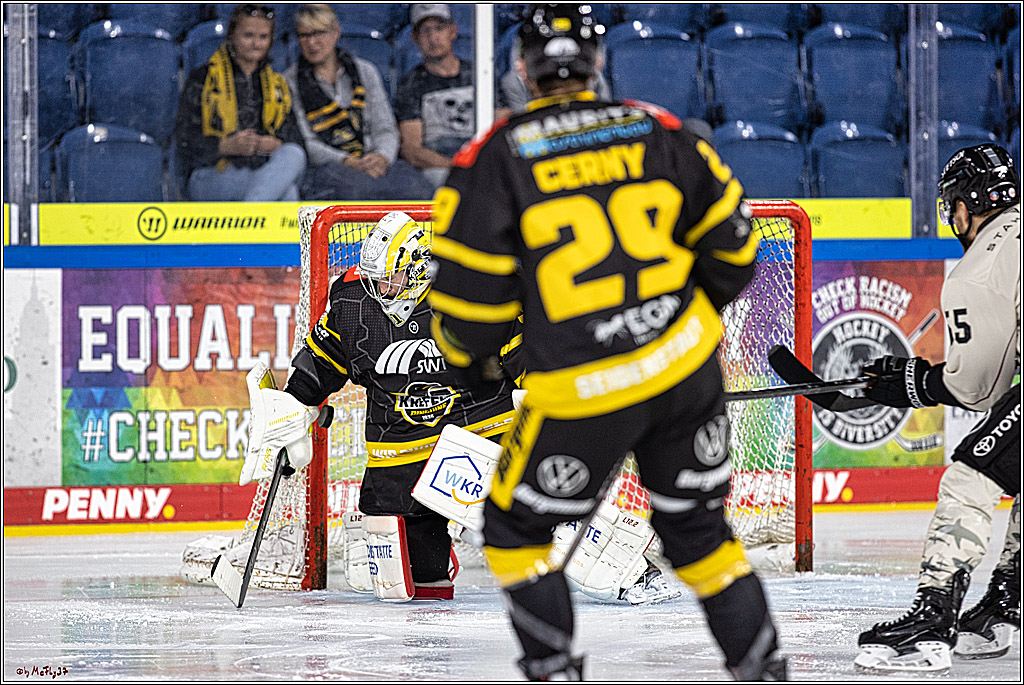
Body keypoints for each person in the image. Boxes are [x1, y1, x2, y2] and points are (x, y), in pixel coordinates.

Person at [427, 4, 786, 680]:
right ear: (596, 63)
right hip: (685, 371)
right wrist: (676, 323)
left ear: (523, 69)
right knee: (701, 537)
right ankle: (766, 673)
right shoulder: (660, 129)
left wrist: (474, 365)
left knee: (513, 533)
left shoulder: (494, 155)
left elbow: (469, 306)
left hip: (582, 391)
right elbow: (737, 253)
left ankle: (557, 670)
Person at [854, 143, 1020, 674]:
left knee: (972, 475)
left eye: (953, 205)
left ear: (967, 207)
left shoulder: (982, 265)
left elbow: (978, 388)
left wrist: (915, 382)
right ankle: (1008, 603)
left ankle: (932, 617)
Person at [284, 4, 434, 201]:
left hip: (374, 158)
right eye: (304, 35)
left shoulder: (365, 71)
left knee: (420, 189)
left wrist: (381, 157)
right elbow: (306, 142)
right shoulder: (290, 81)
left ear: (336, 32)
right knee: (358, 191)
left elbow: (385, 127)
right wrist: (349, 161)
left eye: (319, 33)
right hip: (327, 165)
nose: (312, 42)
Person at [174, 4, 307, 202]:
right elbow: (184, 142)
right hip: (212, 174)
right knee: (287, 193)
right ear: (232, 35)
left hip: (264, 170)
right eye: (248, 35)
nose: (256, 44)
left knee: (294, 154)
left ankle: (250, 211)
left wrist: (273, 144)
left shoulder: (277, 84)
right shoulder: (204, 78)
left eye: (263, 37)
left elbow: (296, 141)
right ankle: (253, 211)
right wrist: (225, 146)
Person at [394, 4, 509, 189]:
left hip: (483, 158)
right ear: (414, 38)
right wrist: (457, 168)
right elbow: (412, 150)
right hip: (440, 167)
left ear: (453, 31)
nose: (433, 38)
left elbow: (503, 124)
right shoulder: (410, 84)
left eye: (439, 28)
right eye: (425, 31)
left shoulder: (481, 73)